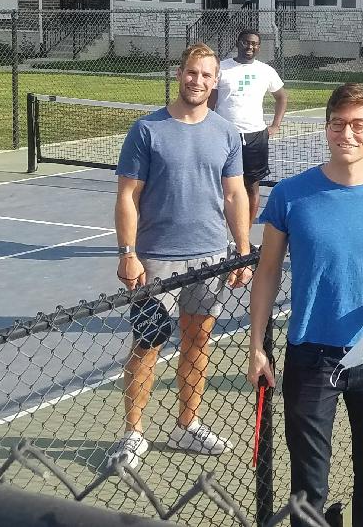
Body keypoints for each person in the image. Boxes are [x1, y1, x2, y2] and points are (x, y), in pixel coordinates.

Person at [248, 83, 363, 525]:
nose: (348, 133)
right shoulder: (290, 194)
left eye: (360, 124)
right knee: (309, 485)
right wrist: (257, 347)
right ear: (327, 128)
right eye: (339, 123)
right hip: (309, 358)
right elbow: (266, 273)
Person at [107, 43, 251, 470]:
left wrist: (241, 252)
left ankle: (186, 425)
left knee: (198, 341)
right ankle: (133, 433)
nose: (198, 81)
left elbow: (234, 193)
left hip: (209, 257)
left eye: (207, 75)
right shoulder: (146, 130)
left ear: (215, 81)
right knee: (146, 346)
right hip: (155, 261)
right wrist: (128, 253)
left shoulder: (226, 133)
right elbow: (127, 196)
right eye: (192, 73)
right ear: (179, 73)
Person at [211, 28, 288, 227]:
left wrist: (275, 125)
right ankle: (220, 231)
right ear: (238, 43)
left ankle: (244, 234)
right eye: (246, 42)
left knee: (252, 186)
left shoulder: (266, 71)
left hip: (255, 137)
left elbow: (281, 97)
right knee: (221, 185)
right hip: (224, 136)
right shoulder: (221, 68)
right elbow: (210, 101)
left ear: (258, 47)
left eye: (254, 44)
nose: (250, 47)